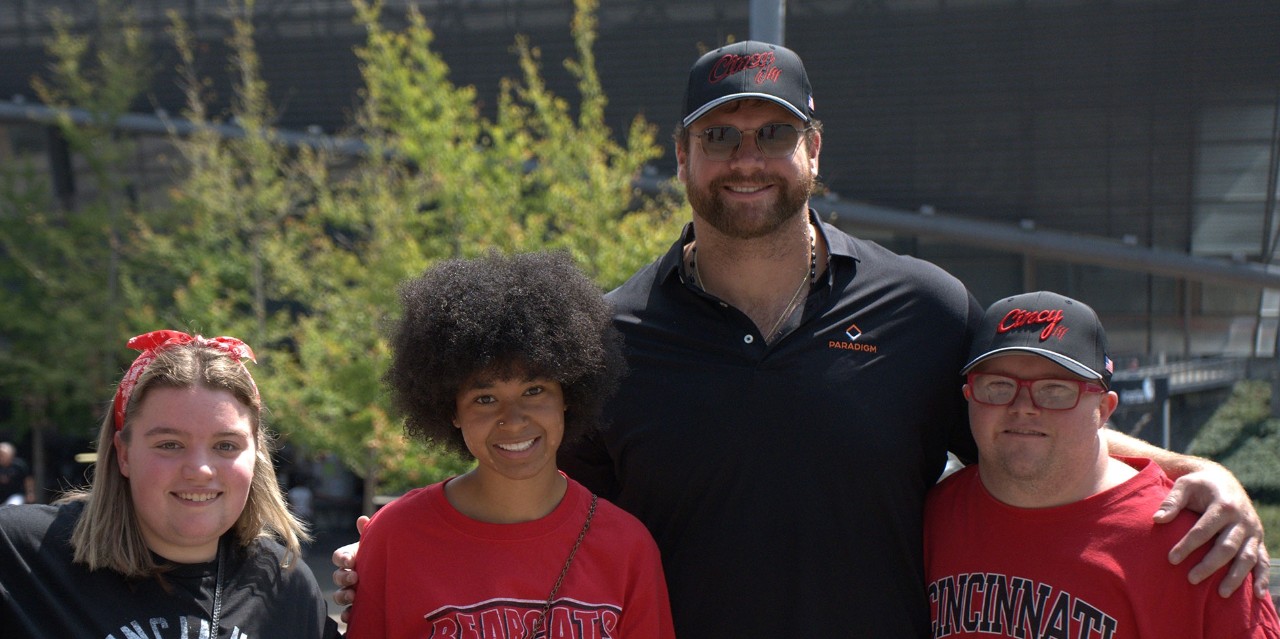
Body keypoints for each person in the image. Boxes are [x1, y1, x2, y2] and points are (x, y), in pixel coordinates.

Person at [335, 41, 1269, 637]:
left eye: (773, 133)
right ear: (681, 157)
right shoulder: (611, 338)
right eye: (720, 136)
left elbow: (1025, 423)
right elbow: (536, 499)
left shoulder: (924, 306)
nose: (747, 158)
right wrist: (390, 555)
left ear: (814, 150)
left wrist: (1193, 469)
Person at [344, 251, 676, 639]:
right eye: (485, 398)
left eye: (534, 390)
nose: (514, 419)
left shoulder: (627, 546)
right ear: (451, 411)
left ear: (568, 396)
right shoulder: (396, 538)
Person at [925, 291, 1280, 637]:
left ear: (1104, 410)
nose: (1023, 406)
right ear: (969, 396)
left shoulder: (1201, 547)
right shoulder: (931, 517)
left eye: (1055, 390)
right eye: (999, 386)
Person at [0, 330, 340, 638]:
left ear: (256, 457)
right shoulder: (21, 555)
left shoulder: (287, 587)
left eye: (226, 445)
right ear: (124, 454)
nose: (200, 470)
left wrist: (372, 570)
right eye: (170, 444)